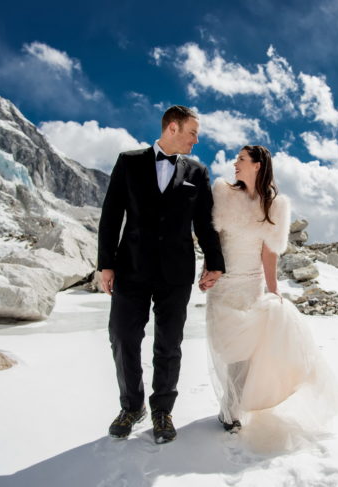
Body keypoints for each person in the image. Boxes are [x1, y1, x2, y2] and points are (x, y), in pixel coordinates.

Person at [97, 105, 225, 444]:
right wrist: (105, 264)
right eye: (193, 133)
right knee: (123, 337)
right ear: (172, 128)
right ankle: (131, 405)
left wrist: (215, 262)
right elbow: (111, 215)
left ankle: (162, 410)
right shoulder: (129, 162)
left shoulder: (197, 172)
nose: (197, 140)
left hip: (176, 272)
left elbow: (205, 224)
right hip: (131, 268)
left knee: (169, 343)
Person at [202, 145, 338, 452]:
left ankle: (232, 410)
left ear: (256, 165)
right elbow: (212, 238)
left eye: (240, 159)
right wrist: (207, 270)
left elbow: (269, 253)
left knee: (245, 351)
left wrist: (273, 289)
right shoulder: (223, 192)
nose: (234, 164)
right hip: (223, 285)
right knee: (226, 346)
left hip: (251, 286)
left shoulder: (275, 205)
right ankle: (233, 403)